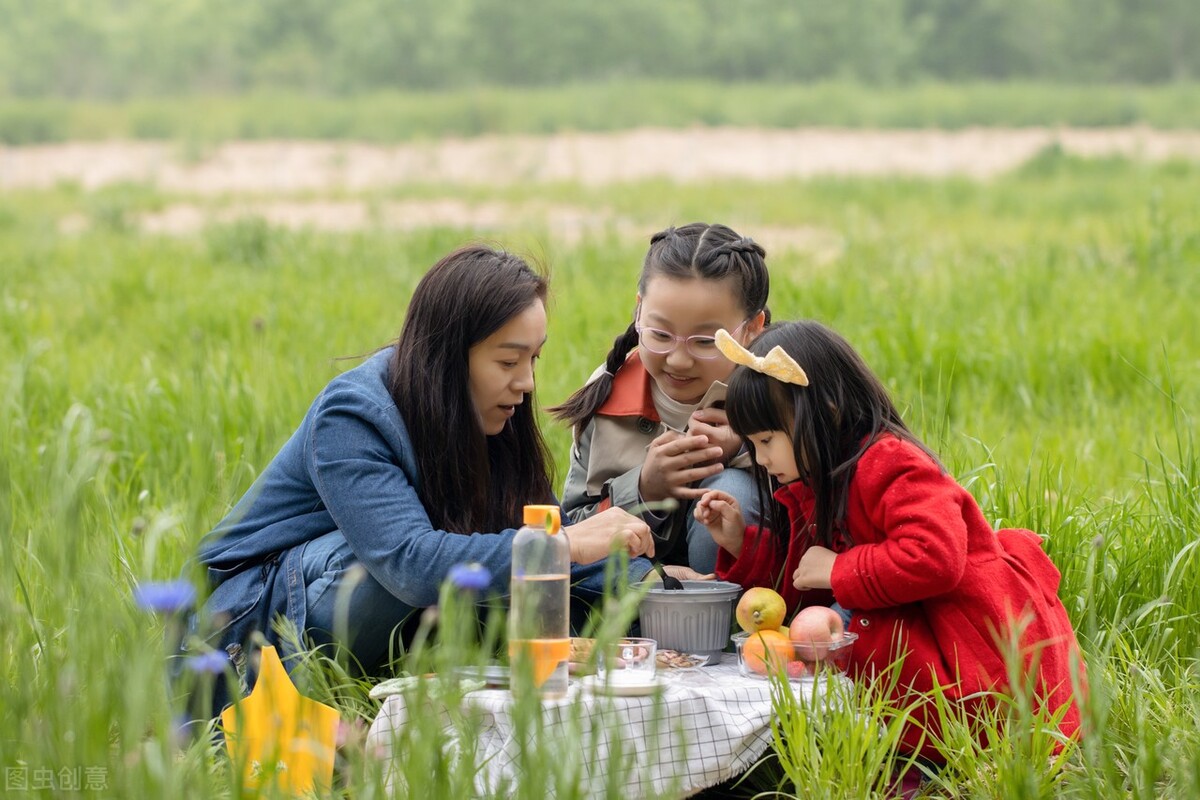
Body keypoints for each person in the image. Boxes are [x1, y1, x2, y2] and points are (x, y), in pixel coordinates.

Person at [190, 245, 659, 706]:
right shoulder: (353, 415)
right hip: (254, 617)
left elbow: (530, 540)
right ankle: (313, 693)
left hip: (389, 597)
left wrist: (652, 580)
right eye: (508, 361)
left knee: (535, 577)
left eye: (533, 359)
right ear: (450, 357)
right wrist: (565, 543)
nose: (527, 382)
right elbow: (410, 564)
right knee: (384, 568)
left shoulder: (493, 409)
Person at [695, 320, 1084, 763]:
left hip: (966, 644)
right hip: (909, 644)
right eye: (752, 443)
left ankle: (922, 758)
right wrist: (743, 544)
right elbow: (806, 582)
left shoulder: (890, 462)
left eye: (766, 440)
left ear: (826, 411)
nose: (761, 459)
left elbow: (936, 556)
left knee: (964, 730)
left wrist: (840, 569)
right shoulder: (820, 480)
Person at [551, 223, 770, 574]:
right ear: (639, 310)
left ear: (753, 327)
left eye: (705, 342)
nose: (679, 360)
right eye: (660, 334)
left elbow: (823, 504)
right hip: (637, 588)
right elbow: (573, 525)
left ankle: (722, 623)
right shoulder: (609, 389)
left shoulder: (778, 389)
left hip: (754, 589)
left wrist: (748, 449)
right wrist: (644, 489)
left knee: (731, 492)